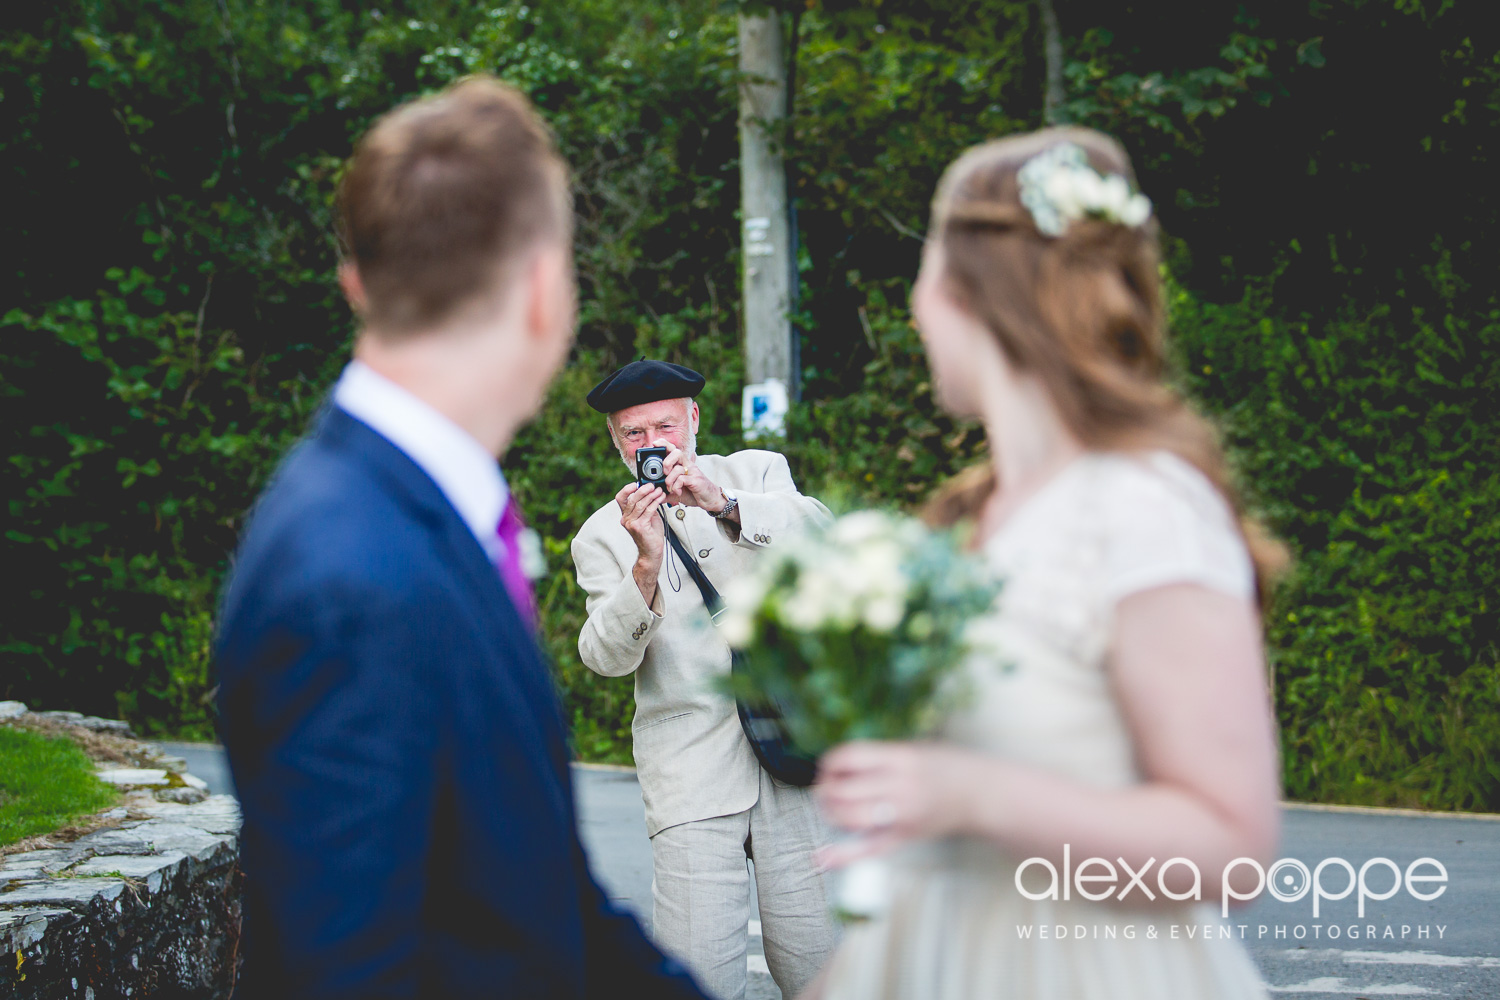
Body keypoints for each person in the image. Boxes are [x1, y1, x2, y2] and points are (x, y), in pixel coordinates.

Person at [214, 79, 705, 1000]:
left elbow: (534, 894)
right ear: (542, 290)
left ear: (357, 282)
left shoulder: (412, 512)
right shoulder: (347, 569)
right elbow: (351, 970)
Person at [810, 127, 1285, 999]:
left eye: (922, 270)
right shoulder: (968, 520)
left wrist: (977, 798)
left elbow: (1231, 848)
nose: (914, 309)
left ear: (969, 292)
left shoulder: (1145, 511)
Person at [570, 359, 839, 1000]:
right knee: (700, 973)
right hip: (689, 771)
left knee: (820, 961)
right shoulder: (602, 533)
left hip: (791, 743)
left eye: (665, 424)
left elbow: (827, 537)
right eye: (633, 434)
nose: (652, 444)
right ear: (616, 442)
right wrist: (644, 565)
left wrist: (722, 503)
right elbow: (602, 656)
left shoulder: (758, 472)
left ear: (693, 420)